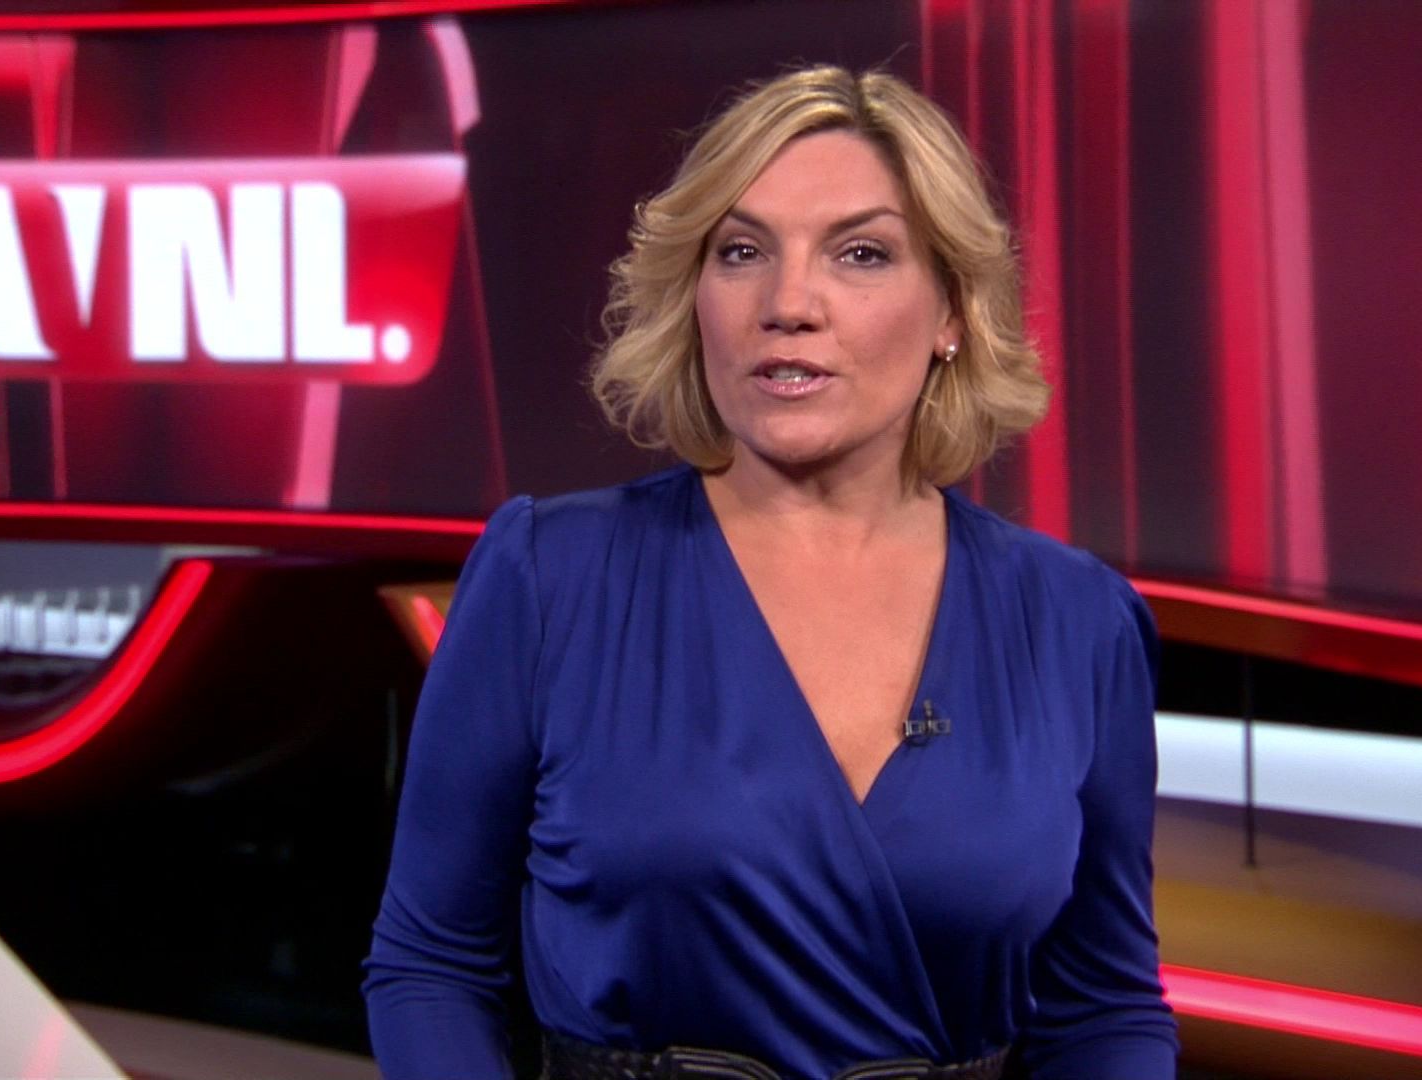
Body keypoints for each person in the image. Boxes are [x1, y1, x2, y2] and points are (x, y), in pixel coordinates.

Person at [362, 64, 1177, 1080]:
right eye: (742, 252)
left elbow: (1105, 1010)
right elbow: (430, 964)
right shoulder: (548, 577)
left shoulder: (1076, 622)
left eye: (862, 254)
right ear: (695, 297)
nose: (788, 303)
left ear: (951, 313)